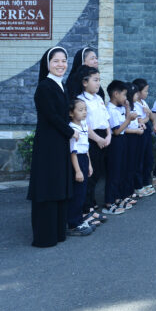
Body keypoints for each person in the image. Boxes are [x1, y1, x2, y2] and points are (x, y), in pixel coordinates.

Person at [27, 47, 77, 248]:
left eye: (64, 61)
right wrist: (71, 131)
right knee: (48, 185)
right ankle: (45, 236)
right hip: (48, 144)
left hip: (60, 142)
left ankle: (57, 232)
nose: (61, 65)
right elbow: (51, 116)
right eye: (56, 61)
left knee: (58, 183)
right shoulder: (44, 87)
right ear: (47, 64)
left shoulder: (61, 85)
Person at [73, 65, 112, 215]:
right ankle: (86, 208)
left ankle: (91, 203)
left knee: (98, 173)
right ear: (85, 82)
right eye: (95, 80)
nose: (98, 83)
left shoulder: (99, 98)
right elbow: (84, 124)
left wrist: (108, 135)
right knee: (90, 174)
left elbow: (105, 118)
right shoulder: (81, 100)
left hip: (103, 137)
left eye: (99, 80)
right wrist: (98, 139)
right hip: (91, 138)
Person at [105, 80, 137, 214]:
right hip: (115, 141)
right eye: (124, 95)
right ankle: (109, 202)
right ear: (115, 94)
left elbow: (126, 121)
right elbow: (117, 131)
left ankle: (117, 197)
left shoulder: (120, 107)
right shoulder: (110, 109)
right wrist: (129, 119)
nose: (125, 98)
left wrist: (127, 108)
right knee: (114, 172)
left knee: (122, 170)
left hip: (123, 140)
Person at [67, 98, 94, 237]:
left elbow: (86, 147)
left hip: (84, 159)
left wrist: (89, 164)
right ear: (71, 113)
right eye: (80, 110)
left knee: (82, 193)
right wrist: (78, 171)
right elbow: (73, 151)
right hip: (76, 161)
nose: (84, 112)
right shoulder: (72, 129)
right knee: (77, 193)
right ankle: (73, 224)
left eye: (85, 109)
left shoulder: (83, 124)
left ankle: (79, 220)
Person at [132, 78, 156, 196]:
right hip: (139, 133)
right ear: (138, 92)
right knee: (139, 159)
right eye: (145, 91)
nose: (147, 93)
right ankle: (138, 185)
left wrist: (152, 120)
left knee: (148, 158)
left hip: (146, 132)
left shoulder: (143, 102)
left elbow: (151, 116)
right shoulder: (134, 105)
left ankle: (146, 182)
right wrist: (147, 115)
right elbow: (140, 121)